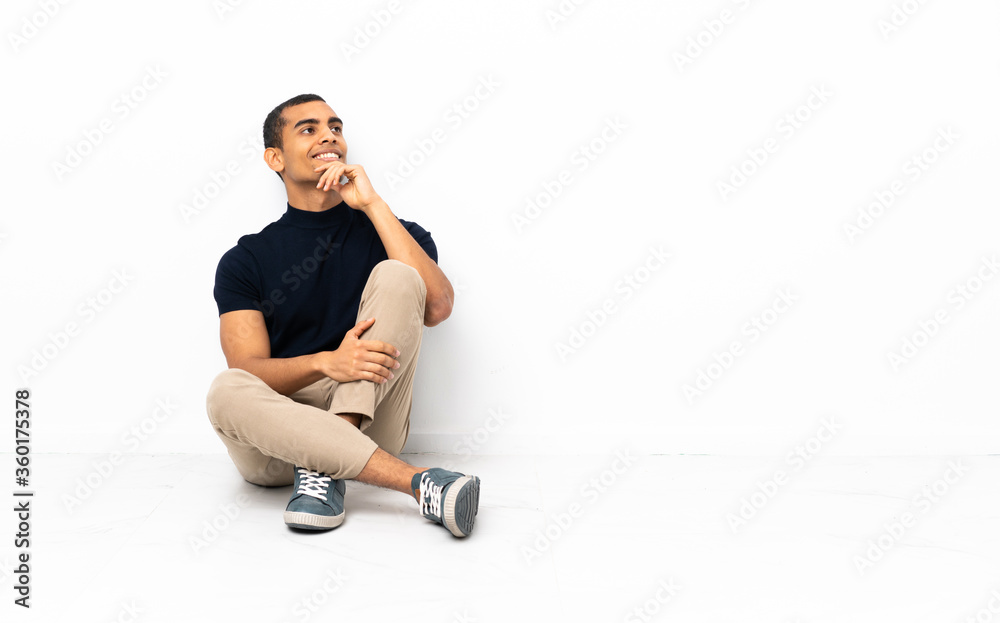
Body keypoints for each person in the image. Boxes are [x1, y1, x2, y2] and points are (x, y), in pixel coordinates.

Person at [205, 94, 480, 537]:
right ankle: (418, 482)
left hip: (370, 420)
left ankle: (325, 467)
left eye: (335, 127)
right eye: (308, 129)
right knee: (225, 389)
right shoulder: (246, 259)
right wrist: (325, 362)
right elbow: (249, 369)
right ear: (275, 158)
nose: (329, 136)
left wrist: (372, 205)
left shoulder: (395, 233)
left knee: (398, 274)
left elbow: (437, 307)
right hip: (278, 442)